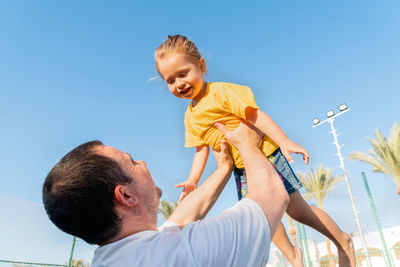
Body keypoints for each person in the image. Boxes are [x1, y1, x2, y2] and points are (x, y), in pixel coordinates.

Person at [155, 34, 356, 267]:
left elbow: (254, 115)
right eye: (170, 80)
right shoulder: (190, 117)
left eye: (183, 73)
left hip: (266, 156)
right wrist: (193, 180)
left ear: (201, 66)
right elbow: (201, 149)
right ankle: (293, 257)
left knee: (297, 211)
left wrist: (283, 140)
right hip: (242, 169)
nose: (179, 83)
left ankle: (343, 241)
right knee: (261, 217)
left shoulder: (220, 92)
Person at [42, 122, 290, 267]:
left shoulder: (125, 257)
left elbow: (180, 220)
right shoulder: (183, 255)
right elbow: (272, 195)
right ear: (126, 196)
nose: (143, 162)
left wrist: (224, 167)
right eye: (131, 162)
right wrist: (247, 143)